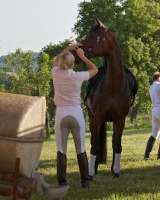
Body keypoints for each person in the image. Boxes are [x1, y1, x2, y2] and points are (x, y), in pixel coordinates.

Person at [52, 43, 98, 188]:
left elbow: (56, 60)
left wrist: (68, 48)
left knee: (61, 149)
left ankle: (62, 182)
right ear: (73, 64)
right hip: (76, 114)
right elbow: (94, 69)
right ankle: (85, 181)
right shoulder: (78, 76)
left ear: (61, 62)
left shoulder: (56, 73)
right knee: (81, 148)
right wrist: (82, 56)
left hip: (61, 114)